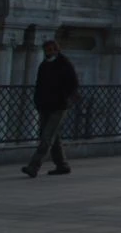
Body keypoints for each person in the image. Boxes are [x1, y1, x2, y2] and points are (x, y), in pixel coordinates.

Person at [22, 40, 79, 177]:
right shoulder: (44, 65)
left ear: (57, 50)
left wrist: (65, 98)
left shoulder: (64, 64)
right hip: (45, 105)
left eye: (52, 49)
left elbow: (73, 83)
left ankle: (33, 166)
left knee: (47, 137)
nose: (49, 52)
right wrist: (38, 101)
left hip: (59, 106)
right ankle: (62, 165)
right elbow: (39, 84)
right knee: (53, 136)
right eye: (47, 50)